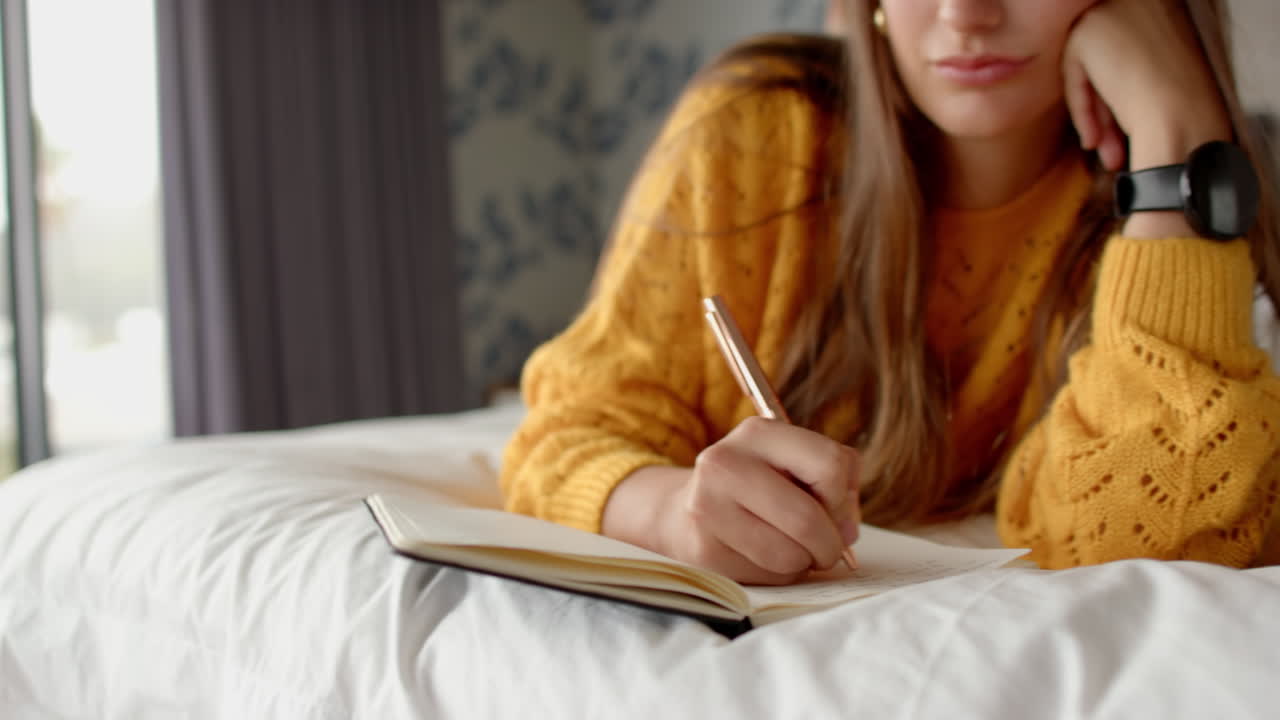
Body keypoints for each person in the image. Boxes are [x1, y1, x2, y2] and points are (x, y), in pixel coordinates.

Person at [500, 0, 1280, 584]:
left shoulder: (1187, 208)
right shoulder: (761, 131)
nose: (967, 15)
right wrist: (670, 513)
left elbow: (1149, 541)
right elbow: (565, 433)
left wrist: (1177, 139)